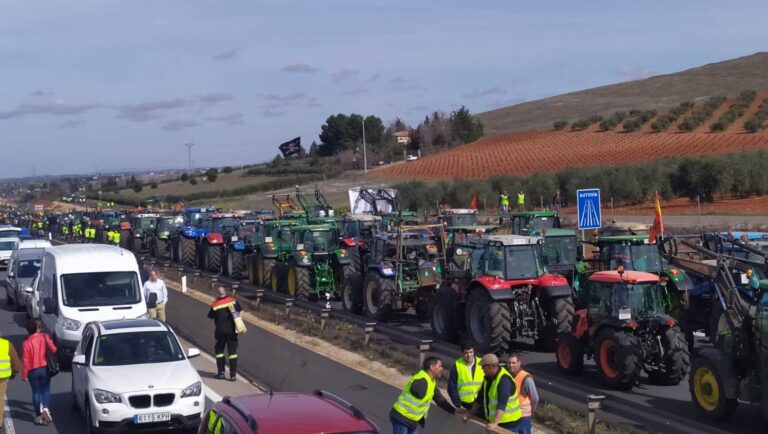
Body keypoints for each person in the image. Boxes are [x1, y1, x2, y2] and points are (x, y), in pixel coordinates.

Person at [390, 356, 460, 434]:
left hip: (411, 420)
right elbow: (416, 391)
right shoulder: (422, 379)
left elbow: (440, 400)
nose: (442, 369)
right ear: (432, 367)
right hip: (401, 417)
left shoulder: (431, 382)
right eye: (440, 366)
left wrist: (454, 410)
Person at [464, 354, 522, 433]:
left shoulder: (504, 380)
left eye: (483, 367)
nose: (482, 369)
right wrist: (470, 412)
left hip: (509, 423)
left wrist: (495, 423)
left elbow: (502, 403)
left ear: (490, 366)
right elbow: (480, 399)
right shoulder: (488, 378)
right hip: (497, 421)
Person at [22, 319, 57, 426]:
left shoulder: (25, 343)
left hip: (32, 371)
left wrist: (24, 375)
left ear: (28, 330)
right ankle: (46, 408)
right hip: (44, 367)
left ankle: (38, 415)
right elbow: (54, 349)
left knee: (36, 392)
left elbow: (25, 360)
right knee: (46, 389)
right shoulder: (44, 337)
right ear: (37, 328)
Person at [207, 286, 241, 381]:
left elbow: (210, 316)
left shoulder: (215, 304)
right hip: (231, 332)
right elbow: (240, 311)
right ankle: (233, 375)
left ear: (218, 294)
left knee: (219, 352)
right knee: (233, 353)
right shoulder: (232, 300)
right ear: (225, 292)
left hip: (220, 332)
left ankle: (221, 373)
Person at [507, 353, 539, 434]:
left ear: (519, 363)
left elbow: (535, 398)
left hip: (523, 416)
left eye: (513, 363)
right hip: (511, 416)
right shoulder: (506, 375)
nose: (511, 365)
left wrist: (531, 411)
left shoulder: (526, 378)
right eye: (509, 363)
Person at [448, 343, 483, 410]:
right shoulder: (457, 366)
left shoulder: (481, 363)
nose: (469, 355)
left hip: (480, 403)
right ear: (462, 353)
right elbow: (451, 387)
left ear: (474, 352)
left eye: (471, 352)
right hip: (465, 404)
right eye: (466, 353)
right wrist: (458, 405)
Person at [0, 332, 21, 432]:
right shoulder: (6, 344)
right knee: (0, 398)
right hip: (3, 377)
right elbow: (15, 361)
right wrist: (15, 371)